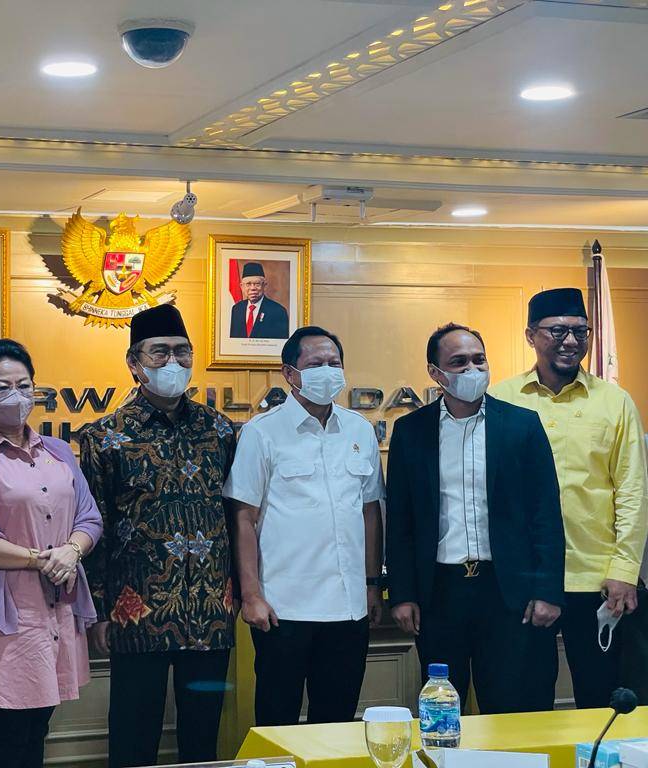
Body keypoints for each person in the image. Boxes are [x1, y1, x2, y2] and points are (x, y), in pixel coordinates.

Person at [80, 304, 237, 768]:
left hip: (210, 611)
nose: (173, 361)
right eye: (160, 352)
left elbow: (238, 517)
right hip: (135, 613)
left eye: (182, 351)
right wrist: (98, 610)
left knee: (203, 740)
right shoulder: (104, 437)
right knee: (134, 738)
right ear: (134, 363)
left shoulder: (219, 430)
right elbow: (94, 527)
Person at [0, 339, 103, 768]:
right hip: (6, 613)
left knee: (38, 725)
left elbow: (89, 517)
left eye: (24, 385)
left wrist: (71, 550)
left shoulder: (59, 451)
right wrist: (41, 558)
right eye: (2, 387)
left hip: (57, 608)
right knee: (9, 728)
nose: (16, 395)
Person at [386, 323, 565, 713]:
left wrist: (548, 590)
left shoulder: (521, 425)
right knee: (442, 709)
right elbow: (400, 522)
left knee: (510, 706)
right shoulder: (411, 431)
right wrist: (402, 594)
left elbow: (546, 514)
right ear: (436, 373)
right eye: (459, 362)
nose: (472, 369)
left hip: (507, 593)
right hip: (439, 594)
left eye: (479, 359)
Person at [491, 289, 648, 709]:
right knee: (524, 704)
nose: (571, 341)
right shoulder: (502, 400)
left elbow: (632, 491)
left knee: (603, 703)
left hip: (598, 580)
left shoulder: (614, 401)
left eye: (581, 331)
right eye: (558, 331)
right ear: (531, 335)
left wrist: (625, 571)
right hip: (525, 579)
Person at [226, 326, 383, 726]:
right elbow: (244, 517)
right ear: (290, 373)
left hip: (349, 609)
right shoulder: (262, 432)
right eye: (315, 364)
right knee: (277, 722)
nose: (327, 372)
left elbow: (370, 511)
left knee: (337, 723)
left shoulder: (360, 430)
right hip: (284, 609)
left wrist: (371, 586)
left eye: (334, 363)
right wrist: (251, 595)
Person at [229, 262, 289, 340]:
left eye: (257, 284)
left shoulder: (278, 311)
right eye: (248, 284)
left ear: (264, 286)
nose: (252, 288)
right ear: (242, 286)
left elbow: (281, 343)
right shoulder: (236, 309)